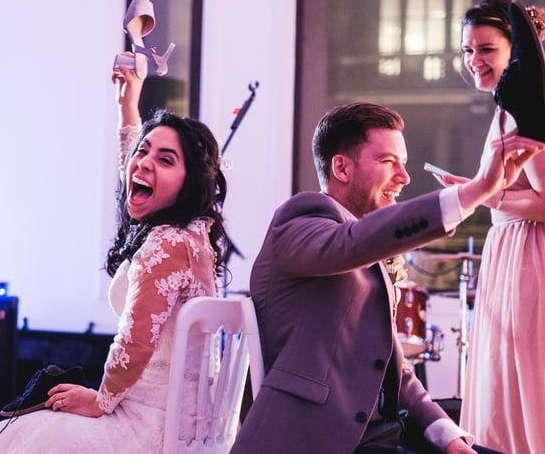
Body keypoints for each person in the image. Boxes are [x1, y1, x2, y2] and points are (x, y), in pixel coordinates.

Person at [231, 101, 543, 453]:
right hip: (319, 441)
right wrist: (477, 190)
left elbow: (393, 368)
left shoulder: (364, 243)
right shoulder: (300, 219)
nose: (404, 177)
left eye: (403, 162)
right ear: (341, 167)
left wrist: (449, 438)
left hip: (386, 436)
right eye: (388, 161)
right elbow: (351, 243)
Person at [0, 55, 231, 453]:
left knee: (4, 437)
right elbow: (132, 166)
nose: (143, 163)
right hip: (181, 424)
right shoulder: (191, 236)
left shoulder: (166, 244)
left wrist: (100, 400)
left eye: (165, 160)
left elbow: (136, 341)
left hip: (149, 428)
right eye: (144, 152)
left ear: (190, 183)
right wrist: (127, 106)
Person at [446, 0, 545, 453]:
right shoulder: (509, 106)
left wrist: (485, 194)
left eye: (486, 49)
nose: (474, 61)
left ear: (516, 49)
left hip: (529, 261)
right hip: (510, 255)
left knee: (523, 386)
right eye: (468, 50)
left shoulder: (525, 105)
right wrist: (477, 190)